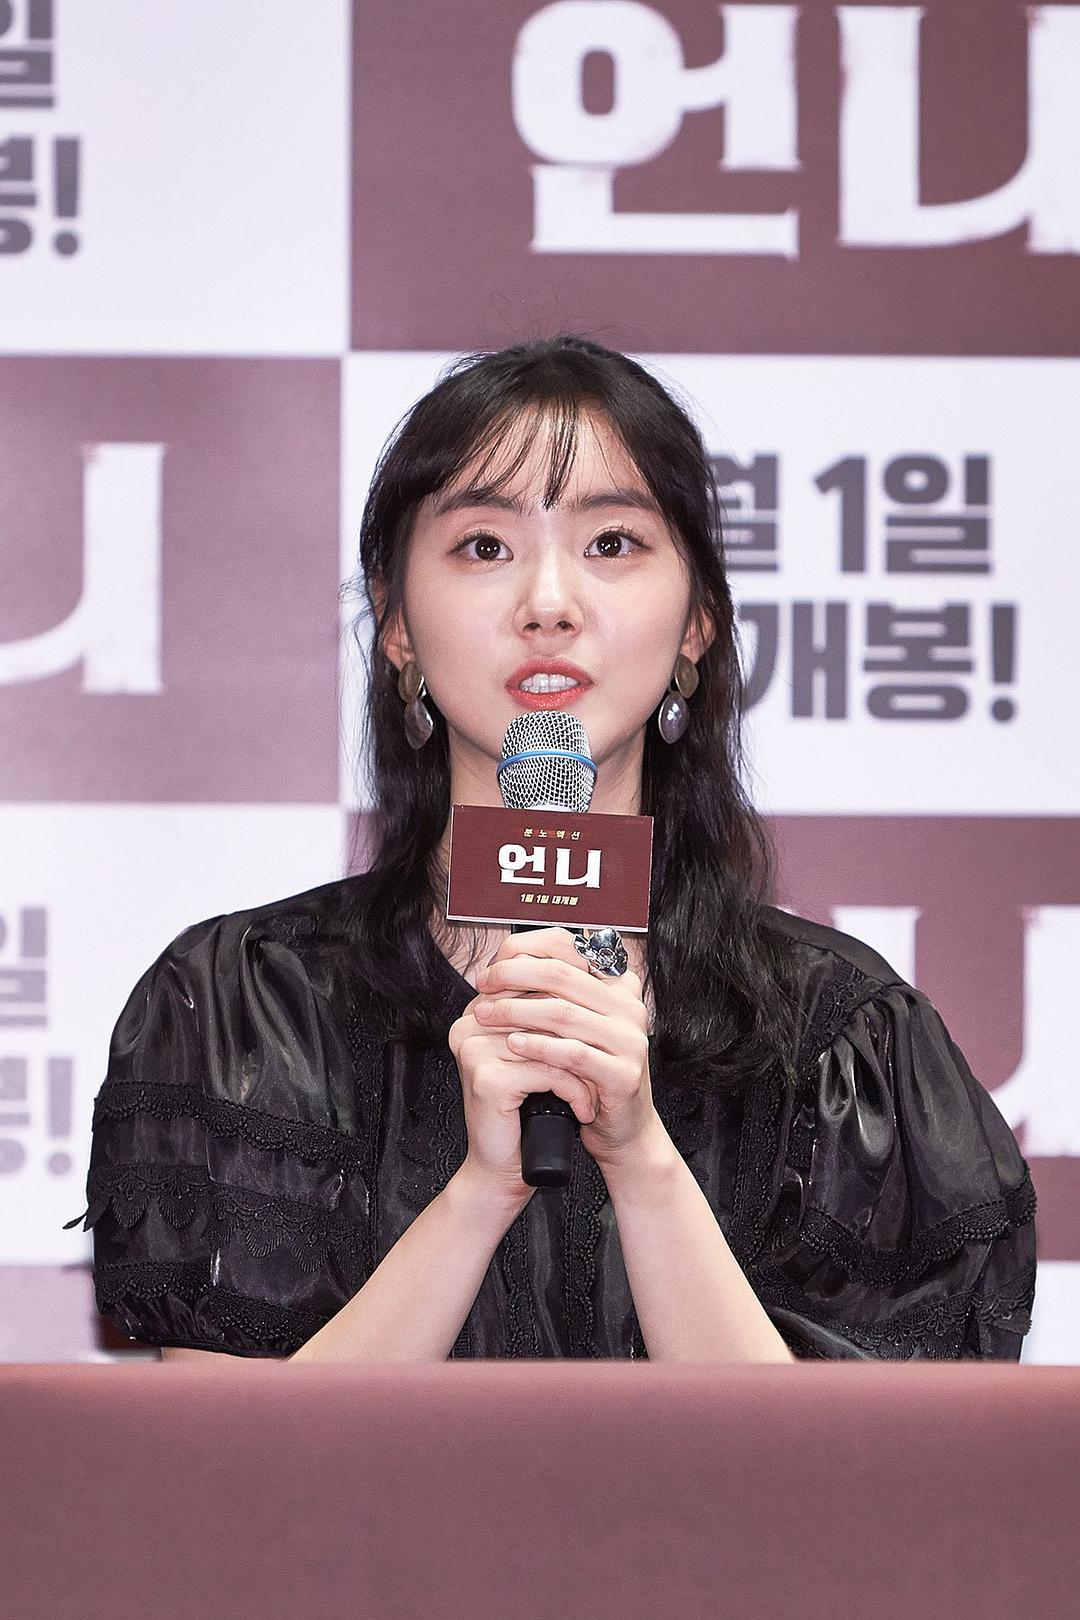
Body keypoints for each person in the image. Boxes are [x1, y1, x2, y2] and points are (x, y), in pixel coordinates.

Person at [64, 335, 1038, 1364]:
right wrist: (481, 1191)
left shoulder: (840, 1042)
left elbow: (847, 1462)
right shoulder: (248, 1012)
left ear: (698, 624)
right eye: (485, 546)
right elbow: (233, 1459)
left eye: (611, 543)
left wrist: (642, 1158)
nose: (548, 605)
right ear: (396, 626)